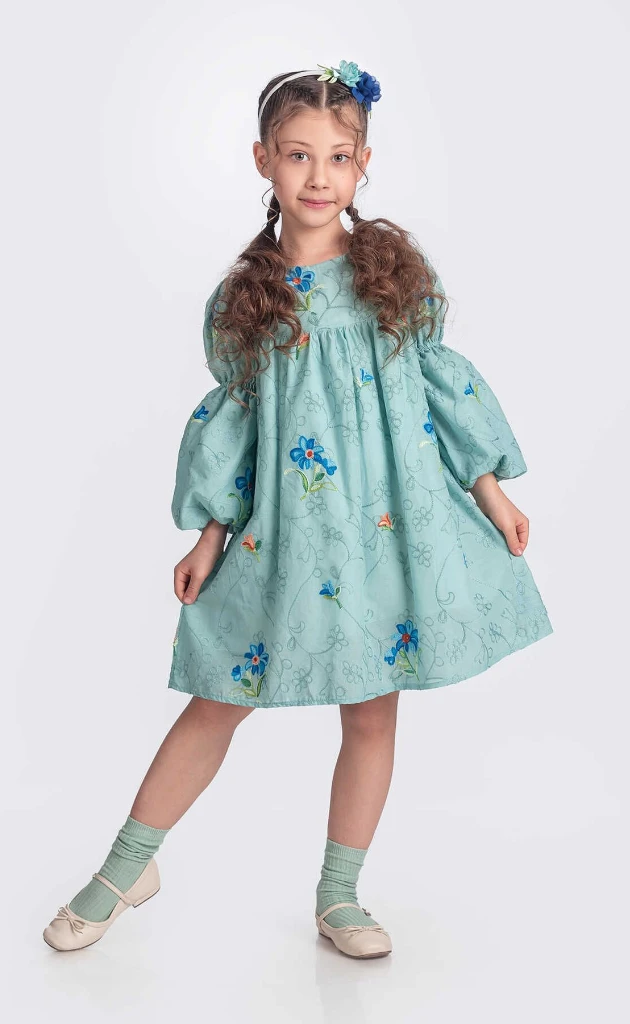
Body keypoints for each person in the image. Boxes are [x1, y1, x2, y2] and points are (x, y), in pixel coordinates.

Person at [43, 61, 553, 960]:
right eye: (298, 156)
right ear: (263, 161)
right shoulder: (247, 298)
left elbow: (442, 388)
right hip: (290, 530)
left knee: (372, 711)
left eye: (338, 157)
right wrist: (210, 536)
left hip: (390, 525)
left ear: (364, 166)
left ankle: (340, 894)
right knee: (219, 695)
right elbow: (235, 425)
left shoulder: (393, 275)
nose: (319, 177)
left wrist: (492, 491)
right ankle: (127, 868)